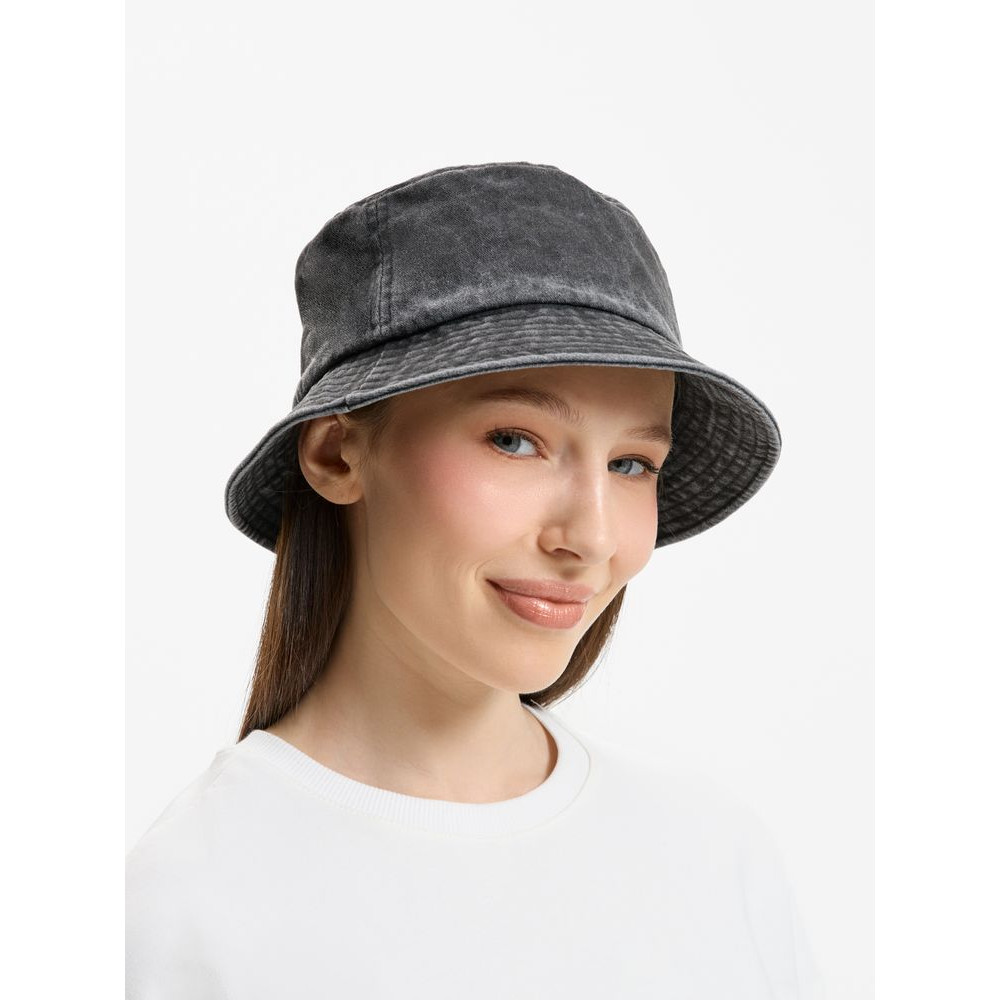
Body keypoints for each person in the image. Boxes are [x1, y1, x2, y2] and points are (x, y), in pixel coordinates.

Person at [126, 161, 827, 998]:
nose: (592, 536)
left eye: (632, 463)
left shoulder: (717, 865)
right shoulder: (179, 911)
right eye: (514, 440)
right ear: (338, 453)